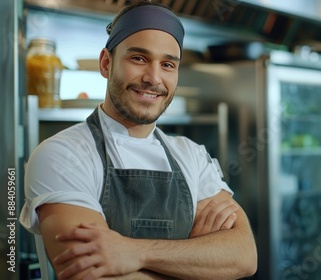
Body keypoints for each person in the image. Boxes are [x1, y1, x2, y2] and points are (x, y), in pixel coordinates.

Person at [20, 1, 257, 279]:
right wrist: (195, 261)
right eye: (139, 58)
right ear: (106, 63)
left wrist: (134, 253)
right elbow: (89, 273)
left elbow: (244, 257)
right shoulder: (62, 155)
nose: (153, 79)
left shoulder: (192, 156)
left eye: (168, 64)